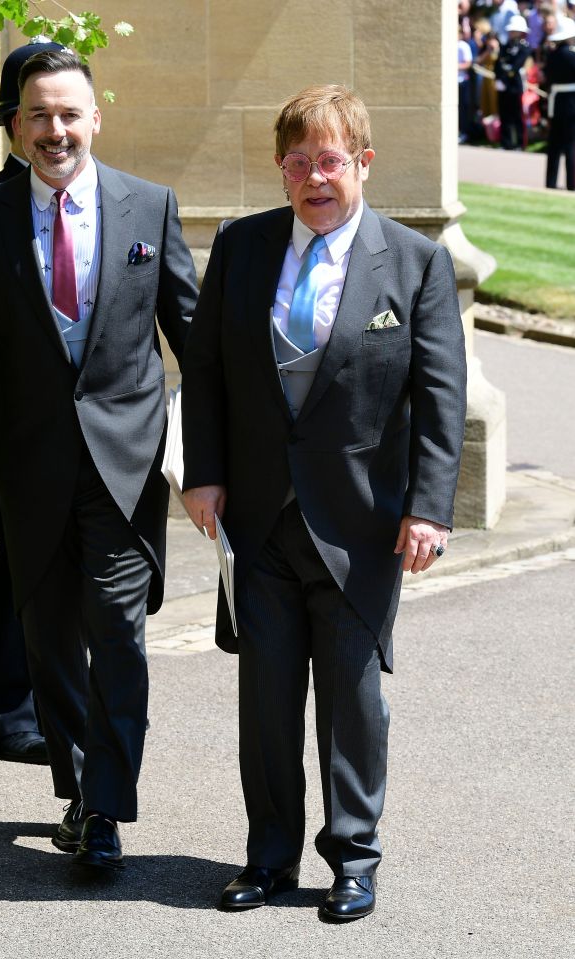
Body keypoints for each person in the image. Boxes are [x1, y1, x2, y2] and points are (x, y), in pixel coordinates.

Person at [181, 84, 466, 921]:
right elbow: (204, 369)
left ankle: (353, 859)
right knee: (267, 701)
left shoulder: (413, 263)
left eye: (330, 160)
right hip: (261, 521)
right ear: (280, 169)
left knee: (352, 701)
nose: (314, 178)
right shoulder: (241, 247)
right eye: (298, 162)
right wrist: (204, 472)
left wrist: (430, 508)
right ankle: (267, 856)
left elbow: (440, 397)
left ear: (363, 164)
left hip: (362, 524)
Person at [0, 49, 198, 869]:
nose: (56, 130)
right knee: (49, 644)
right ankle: (82, 790)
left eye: (69, 113)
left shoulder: (149, 208)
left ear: (96, 118)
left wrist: (222, 458)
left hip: (123, 467)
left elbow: (197, 340)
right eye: (39, 115)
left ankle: (104, 809)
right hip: (29, 468)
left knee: (118, 633)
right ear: (17, 125)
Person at [0, 40, 63, 766]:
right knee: (20, 559)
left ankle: (59, 699)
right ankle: (10, 705)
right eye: (36, 113)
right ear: (12, 120)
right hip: (13, 423)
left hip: (90, 427)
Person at [544, 19, 575, 188]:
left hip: (556, 102)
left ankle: (550, 182)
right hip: (572, 101)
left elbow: (548, 79)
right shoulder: (572, 55)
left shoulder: (552, 55)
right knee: (571, 144)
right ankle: (572, 184)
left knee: (554, 145)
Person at [495, 14, 533, 148]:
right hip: (503, 86)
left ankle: (519, 143)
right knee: (504, 115)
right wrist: (499, 78)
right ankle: (506, 143)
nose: (511, 32)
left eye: (514, 30)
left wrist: (505, 75)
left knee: (517, 115)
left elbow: (515, 66)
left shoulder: (524, 47)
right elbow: (499, 64)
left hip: (515, 86)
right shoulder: (505, 46)